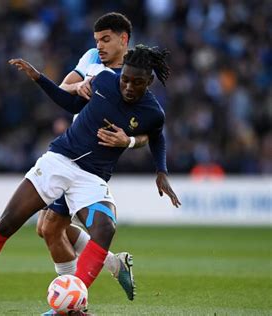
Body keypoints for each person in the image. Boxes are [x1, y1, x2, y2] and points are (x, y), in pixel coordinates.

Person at [0, 44, 180, 312]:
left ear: (149, 81)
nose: (128, 87)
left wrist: (161, 171)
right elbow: (71, 103)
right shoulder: (105, 79)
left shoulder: (153, 112)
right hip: (58, 161)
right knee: (6, 223)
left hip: (92, 177)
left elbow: (156, 137)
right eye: (125, 79)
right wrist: (39, 78)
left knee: (105, 229)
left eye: (137, 83)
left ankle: (69, 307)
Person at [37, 12, 179, 303]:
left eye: (106, 39)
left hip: (92, 160)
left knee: (51, 228)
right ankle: (111, 266)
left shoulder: (132, 75)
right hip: (70, 149)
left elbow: (150, 133)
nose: (99, 46)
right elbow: (65, 91)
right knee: (46, 228)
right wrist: (78, 87)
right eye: (97, 40)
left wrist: (127, 141)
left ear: (123, 40)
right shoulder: (91, 58)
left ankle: (74, 299)